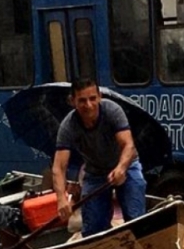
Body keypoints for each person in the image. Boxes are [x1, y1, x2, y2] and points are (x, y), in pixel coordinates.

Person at [52, 80, 146, 237]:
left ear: (99, 97)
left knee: (135, 217)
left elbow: (128, 145)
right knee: (93, 229)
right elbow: (59, 168)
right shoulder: (68, 126)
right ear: (72, 101)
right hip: (95, 173)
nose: (88, 105)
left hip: (126, 166)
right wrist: (61, 199)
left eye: (92, 99)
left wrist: (121, 168)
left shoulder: (113, 111)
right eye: (82, 100)